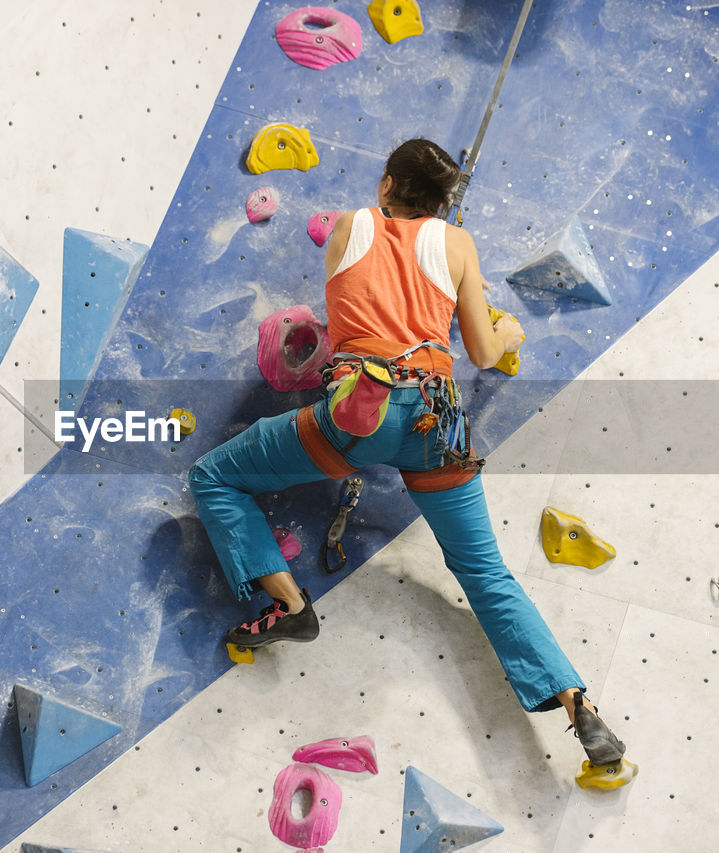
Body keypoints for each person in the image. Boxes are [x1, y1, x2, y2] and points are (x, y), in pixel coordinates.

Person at [188, 138, 626, 764]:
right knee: (486, 574)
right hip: (435, 422)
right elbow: (481, 350)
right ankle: (580, 708)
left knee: (215, 477)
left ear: (387, 184)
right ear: (447, 204)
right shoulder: (458, 245)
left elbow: (355, 299)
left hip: (356, 413)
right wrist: (504, 328)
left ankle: (288, 605)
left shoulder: (348, 227)